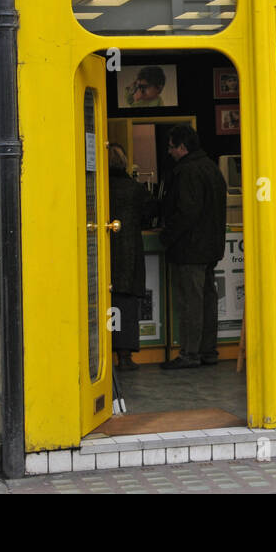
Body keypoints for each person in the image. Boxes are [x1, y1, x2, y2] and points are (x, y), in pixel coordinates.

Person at [160, 125, 227, 369]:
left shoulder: (187, 171)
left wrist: (167, 236)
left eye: (171, 147)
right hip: (211, 246)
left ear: (182, 147)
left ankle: (189, 354)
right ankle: (208, 351)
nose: (169, 153)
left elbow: (186, 212)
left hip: (190, 247)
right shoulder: (211, 168)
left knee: (191, 301)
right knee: (208, 300)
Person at [107, 143, 158, 371]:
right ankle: (125, 356)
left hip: (105, 253)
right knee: (126, 305)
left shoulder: (97, 186)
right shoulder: (135, 189)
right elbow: (152, 212)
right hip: (129, 253)